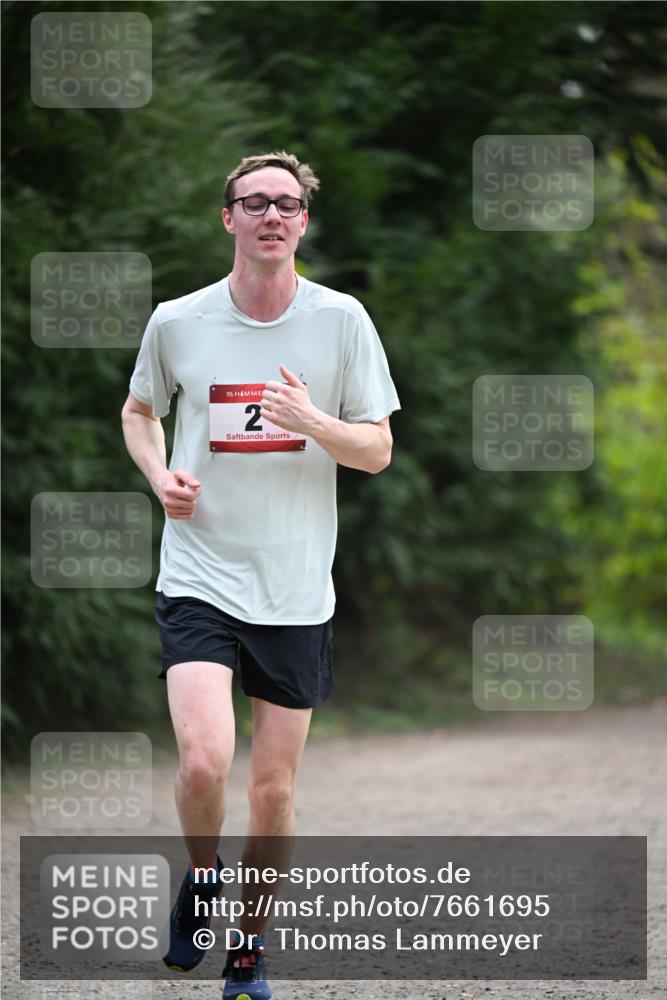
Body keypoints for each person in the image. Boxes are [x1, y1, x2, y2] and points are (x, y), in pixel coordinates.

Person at [121, 151, 400, 999]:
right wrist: (159, 475)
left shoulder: (341, 320)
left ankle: (248, 948)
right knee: (206, 766)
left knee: (273, 790)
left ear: (303, 223)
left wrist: (313, 420)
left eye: (287, 203)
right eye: (255, 203)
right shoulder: (178, 320)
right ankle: (202, 879)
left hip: (293, 588)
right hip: (200, 570)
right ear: (229, 218)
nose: (272, 215)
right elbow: (140, 411)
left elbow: (378, 451)